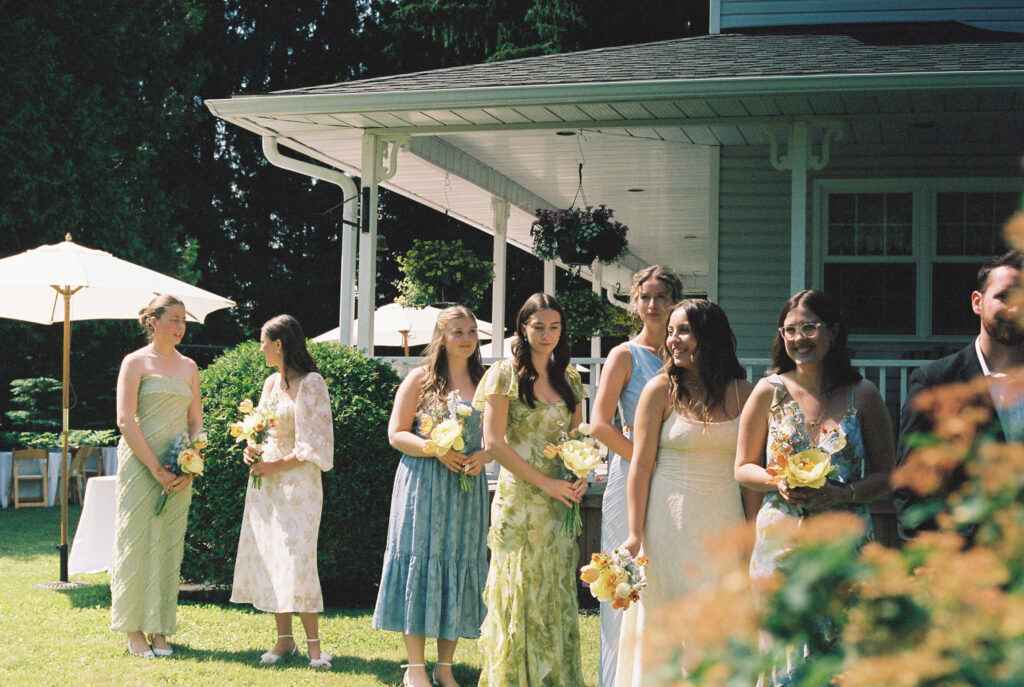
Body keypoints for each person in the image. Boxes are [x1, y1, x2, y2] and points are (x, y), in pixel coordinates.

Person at [735, 290, 894, 686]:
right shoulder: (768, 391)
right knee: (783, 655)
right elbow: (742, 468)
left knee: (843, 652)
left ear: (833, 332)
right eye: (790, 330)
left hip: (843, 546)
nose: (799, 338)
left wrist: (845, 494)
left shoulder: (863, 394)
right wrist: (776, 480)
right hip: (781, 545)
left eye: (809, 328)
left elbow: (887, 474)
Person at [616, 300, 755, 686]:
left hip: (724, 522)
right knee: (667, 618)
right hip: (668, 525)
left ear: (709, 336)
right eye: (671, 331)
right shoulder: (659, 390)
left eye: (684, 330)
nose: (673, 339)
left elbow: (750, 473)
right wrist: (634, 533)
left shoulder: (745, 393)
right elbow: (641, 467)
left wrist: (752, 532)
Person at [472, 293, 588, 687]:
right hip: (520, 500)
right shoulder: (503, 375)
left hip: (560, 502)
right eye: (538, 326)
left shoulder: (569, 378)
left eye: (554, 327)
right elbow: (493, 443)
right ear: (522, 328)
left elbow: (577, 437)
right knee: (520, 589)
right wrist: (546, 483)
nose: (546, 334)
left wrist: (581, 471)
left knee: (555, 587)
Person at [372, 305, 490, 687]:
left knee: (458, 563)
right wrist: (434, 449)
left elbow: (499, 437)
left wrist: (484, 456)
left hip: (466, 488)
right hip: (423, 485)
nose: (466, 338)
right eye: (458, 331)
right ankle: (415, 668)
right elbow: (396, 433)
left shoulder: (486, 382)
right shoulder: (420, 379)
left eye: (471, 331)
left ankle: (444, 666)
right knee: (421, 565)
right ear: (441, 337)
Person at [589, 265, 682, 687]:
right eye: (645, 296)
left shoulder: (686, 355)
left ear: (675, 302)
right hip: (630, 471)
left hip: (678, 477)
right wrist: (647, 461)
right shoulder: (624, 355)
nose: (653, 304)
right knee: (625, 580)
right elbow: (599, 424)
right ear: (635, 302)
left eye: (662, 296)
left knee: (667, 575)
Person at [230, 314, 334, 670]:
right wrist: (252, 448)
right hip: (267, 484)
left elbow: (317, 442)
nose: (260, 349)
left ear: (279, 344)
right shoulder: (271, 383)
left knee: (298, 558)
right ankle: (284, 640)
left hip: (299, 483)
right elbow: (263, 429)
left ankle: (315, 647)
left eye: (263, 342)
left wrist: (278, 464)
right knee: (275, 556)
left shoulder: (312, 383)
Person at [897, 251, 1024, 535]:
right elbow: (909, 486)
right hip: (967, 556)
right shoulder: (936, 382)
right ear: (977, 302)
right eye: (1004, 296)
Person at [111, 294, 203, 658]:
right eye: (174, 319)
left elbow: (195, 421)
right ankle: (133, 629)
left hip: (179, 468)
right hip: (141, 464)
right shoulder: (134, 362)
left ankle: (159, 627)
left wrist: (192, 463)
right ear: (153, 321)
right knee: (135, 542)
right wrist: (154, 468)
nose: (180, 326)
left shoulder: (190, 367)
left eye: (184, 321)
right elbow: (125, 420)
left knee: (167, 545)